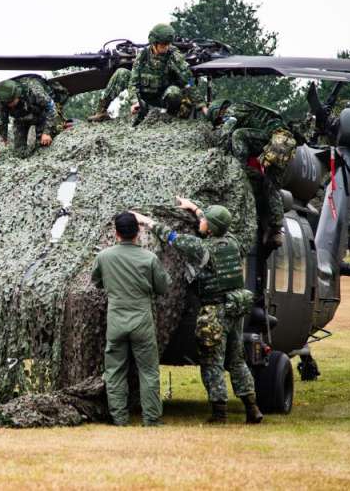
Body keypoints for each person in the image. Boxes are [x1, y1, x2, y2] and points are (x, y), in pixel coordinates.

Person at [132, 199, 263, 424]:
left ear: (210, 228)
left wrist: (145, 221)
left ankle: (219, 413)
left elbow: (172, 237)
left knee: (212, 362)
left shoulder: (202, 248)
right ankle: (252, 408)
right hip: (235, 307)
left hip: (214, 312)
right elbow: (214, 221)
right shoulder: (232, 241)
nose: (200, 221)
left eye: (204, 220)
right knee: (237, 360)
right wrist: (194, 208)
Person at [91, 212, 170, 426]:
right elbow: (163, 288)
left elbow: (96, 282)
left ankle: (119, 418)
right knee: (148, 371)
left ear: (116, 233)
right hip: (142, 321)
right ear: (138, 232)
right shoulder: (149, 258)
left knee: (115, 371)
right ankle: (151, 419)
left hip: (116, 320)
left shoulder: (104, 257)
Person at [207, 99, 302, 248]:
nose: (221, 121)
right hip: (285, 142)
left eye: (219, 119)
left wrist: (219, 150)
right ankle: (276, 231)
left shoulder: (233, 108)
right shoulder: (251, 109)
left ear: (220, 110)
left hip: (275, 139)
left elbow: (228, 129)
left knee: (238, 135)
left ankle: (241, 168)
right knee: (271, 187)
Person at [87, 23, 203, 123]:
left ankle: (171, 117)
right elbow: (133, 82)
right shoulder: (143, 55)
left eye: (168, 44)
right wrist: (135, 102)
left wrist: (201, 104)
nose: (166, 48)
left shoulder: (174, 56)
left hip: (163, 97)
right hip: (144, 98)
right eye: (163, 45)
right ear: (154, 43)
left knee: (174, 92)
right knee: (121, 73)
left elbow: (189, 79)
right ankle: (101, 112)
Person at [0, 76, 68, 158]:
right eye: (7, 104)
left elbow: (51, 109)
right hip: (21, 118)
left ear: (17, 94)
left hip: (43, 115)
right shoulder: (4, 99)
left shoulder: (34, 90)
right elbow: (2, 121)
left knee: (43, 145)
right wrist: (3, 140)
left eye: (11, 102)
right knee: (19, 153)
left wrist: (47, 132)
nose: (9, 105)